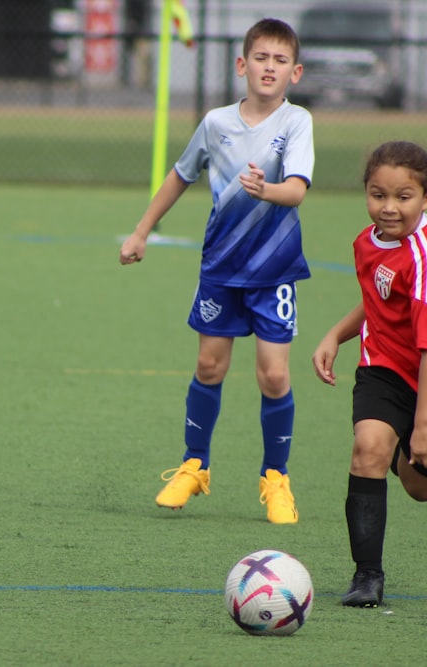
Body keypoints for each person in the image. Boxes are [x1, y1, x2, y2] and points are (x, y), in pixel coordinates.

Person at [119, 18, 313, 524]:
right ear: (241, 65)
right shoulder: (216, 123)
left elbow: (295, 189)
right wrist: (142, 230)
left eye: (280, 60)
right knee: (209, 367)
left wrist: (264, 190)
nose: (269, 68)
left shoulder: (296, 122)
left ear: (295, 72)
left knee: (273, 374)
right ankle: (194, 466)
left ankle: (276, 479)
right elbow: (181, 176)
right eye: (261, 58)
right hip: (221, 268)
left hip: (274, 270)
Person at [312, 141, 427, 607]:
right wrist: (335, 335)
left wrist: (425, 425)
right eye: (377, 194)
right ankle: (367, 577)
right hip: (384, 365)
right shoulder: (367, 241)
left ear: (426, 198)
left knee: (419, 487)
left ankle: (404, 440)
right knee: (367, 449)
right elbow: (378, 301)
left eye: (403, 197)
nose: (388, 208)